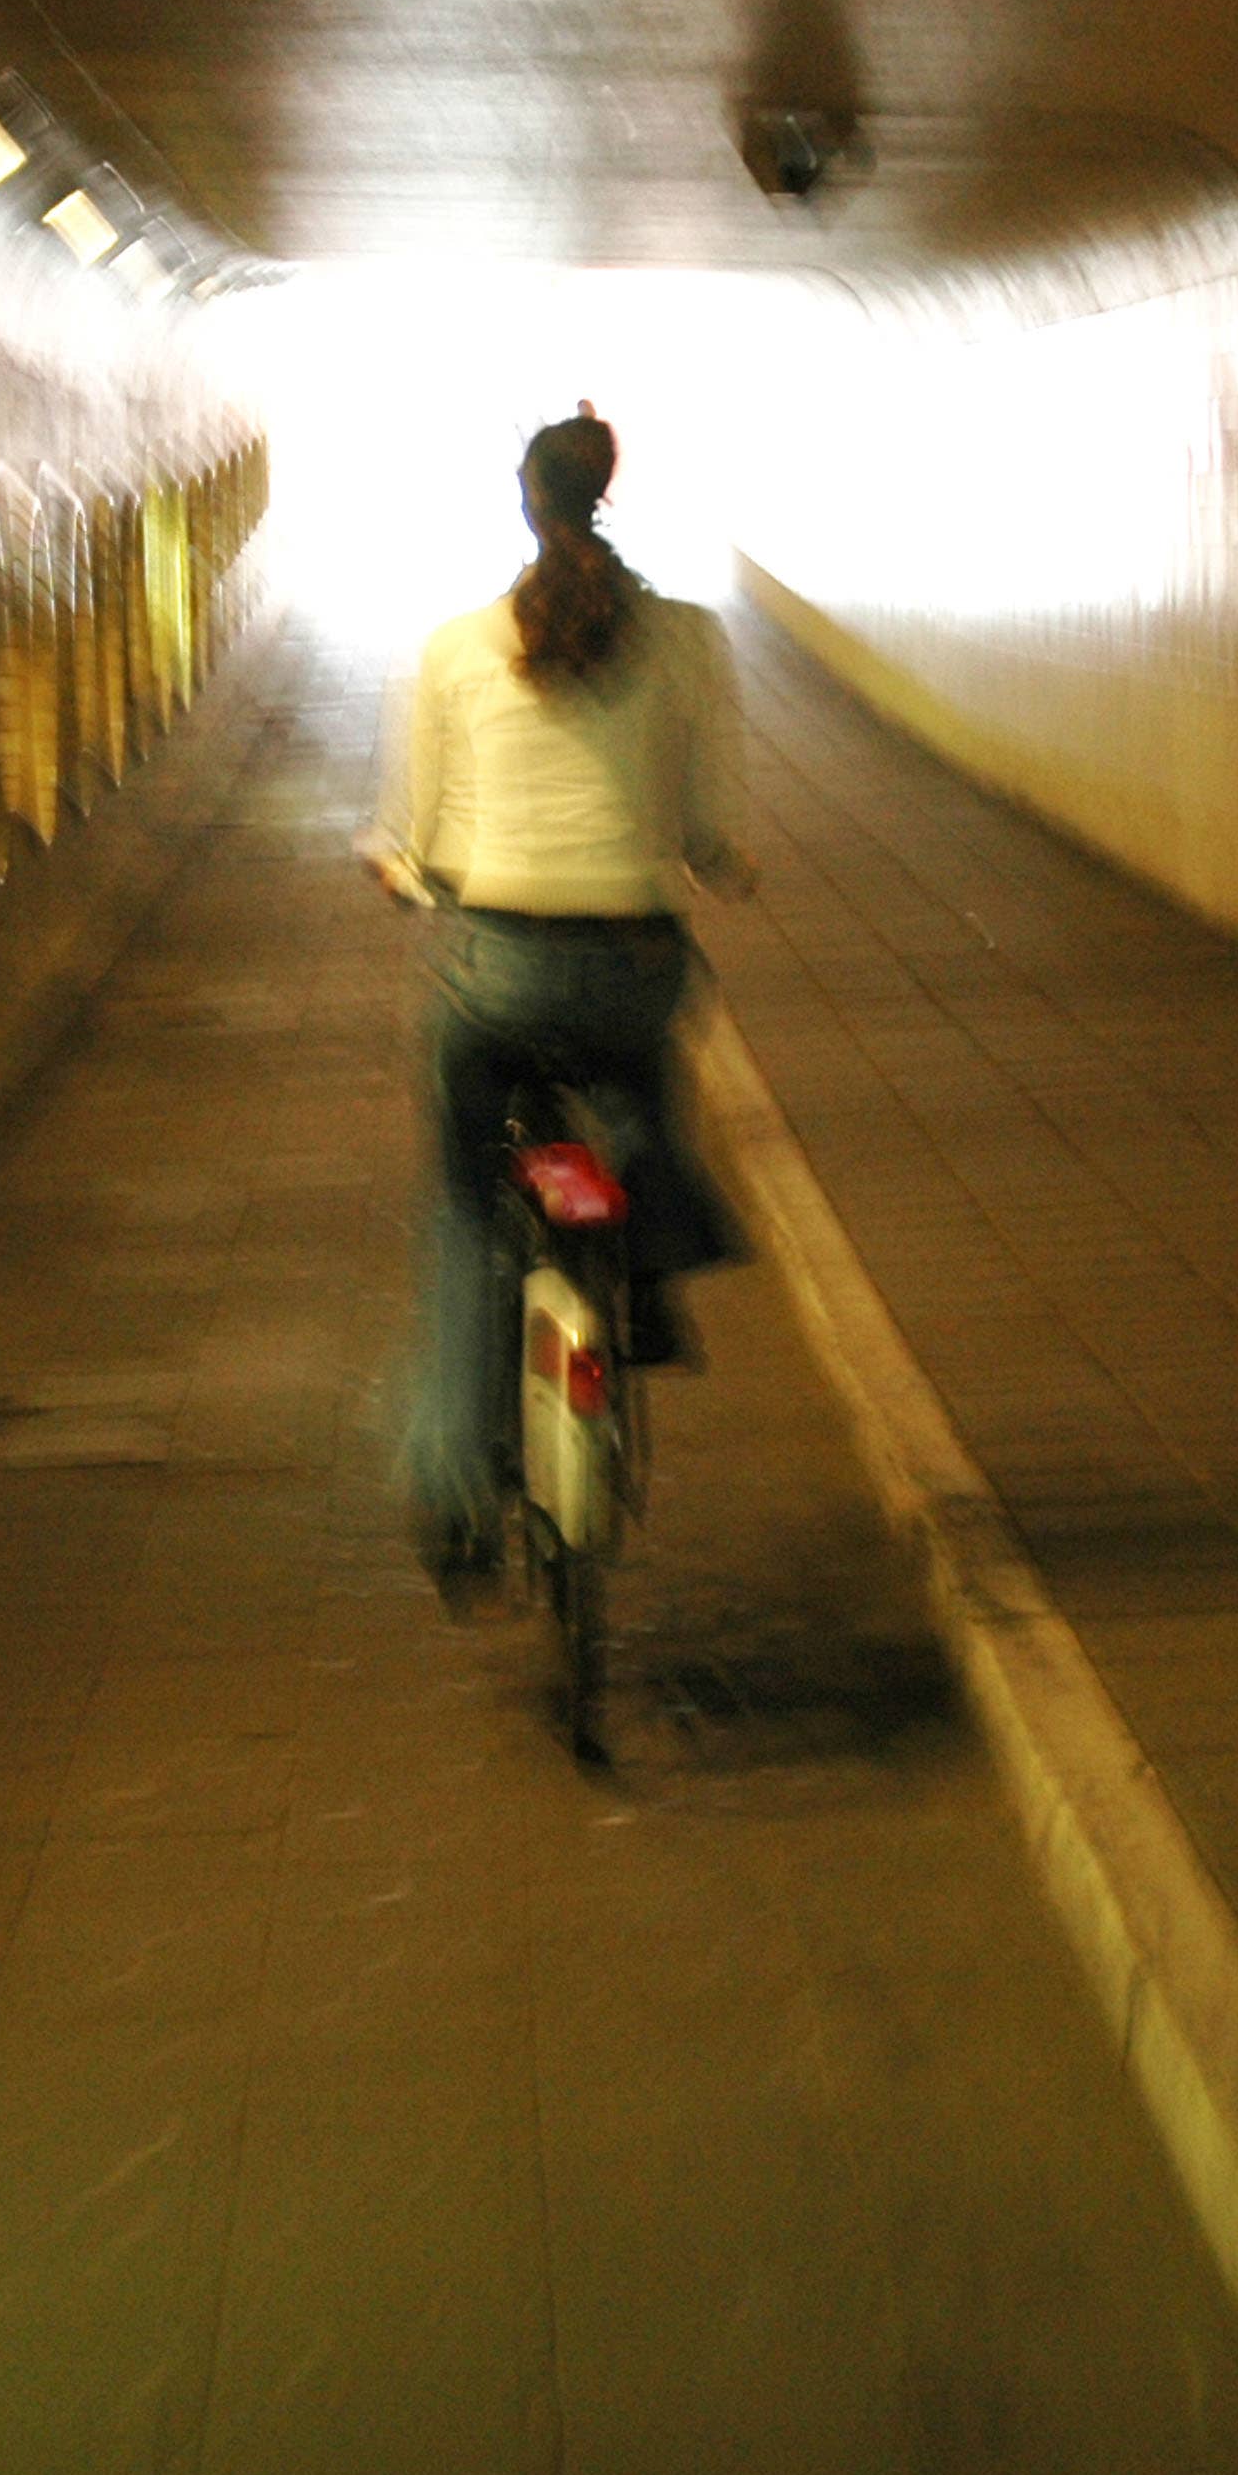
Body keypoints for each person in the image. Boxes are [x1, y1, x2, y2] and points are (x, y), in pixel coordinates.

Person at [362, 407, 750, 1598]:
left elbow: (410, 835)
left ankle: (453, 1487)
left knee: (466, 1211)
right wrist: (701, 856)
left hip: (499, 969)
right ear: (606, 498)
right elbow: (711, 831)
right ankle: (644, 1249)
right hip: (632, 965)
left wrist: (404, 870)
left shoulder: (451, 648)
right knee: (638, 1088)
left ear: (522, 506)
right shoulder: (689, 640)